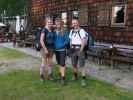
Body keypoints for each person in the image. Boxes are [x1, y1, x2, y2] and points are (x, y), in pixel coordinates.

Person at [69, 19, 88, 87]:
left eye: (76, 23)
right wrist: (71, 48)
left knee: (81, 65)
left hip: (80, 49)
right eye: (73, 23)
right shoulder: (71, 31)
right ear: (72, 24)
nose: (74, 24)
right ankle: (75, 76)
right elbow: (70, 40)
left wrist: (81, 50)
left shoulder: (81, 31)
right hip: (73, 50)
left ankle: (83, 80)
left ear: (78, 23)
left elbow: (83, 41)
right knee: (74, 64)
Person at [54, 18, 69, 85]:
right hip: (56, 50)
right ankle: (60, 75)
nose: (58, 24)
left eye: (59, 23)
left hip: (62, 50)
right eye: (57, 23)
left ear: (61, 24)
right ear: (55, 24)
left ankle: (63, 78)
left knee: (62, 64)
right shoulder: (54, 31)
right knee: (59, 63)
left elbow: (67, 41)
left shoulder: (65, 31)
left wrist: (61, 46)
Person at [40, 17, 55, 81]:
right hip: (45, 48)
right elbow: (41, 40)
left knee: (50, 63)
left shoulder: (51, 29)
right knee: (43, 63)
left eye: (51, 22)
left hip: (51, 48)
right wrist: (45, 49)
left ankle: (50, 76)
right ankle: (41, 76)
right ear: (46, 22)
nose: (50, 23)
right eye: (48, 22)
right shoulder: (44, 30)